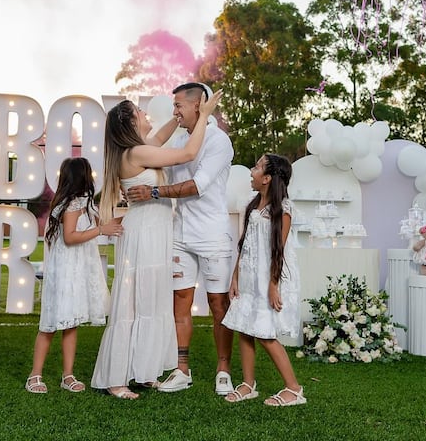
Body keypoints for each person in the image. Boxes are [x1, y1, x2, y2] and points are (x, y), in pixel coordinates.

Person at [91, 89, 222, 399]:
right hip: (143, 233)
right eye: (140, 112)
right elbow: (188, 153)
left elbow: (161, 137)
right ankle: (116, 378)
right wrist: (203, 115)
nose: (146, 115)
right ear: (131, 122)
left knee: (150, 301)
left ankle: (143, 370)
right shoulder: (135, 154)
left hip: (155, 231)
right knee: (132, 304)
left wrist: (180, 118)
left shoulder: (139, 148)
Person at [125, 82, 235, 396]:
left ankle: (223, 368)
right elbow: (148, 154)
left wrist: (153, 192)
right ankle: (182, 369)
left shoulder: (218, 141)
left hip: (212, 235)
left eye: (179, 106)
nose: (174, 112)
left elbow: (197, 185)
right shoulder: (179, 139)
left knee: (218, 304)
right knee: (180, 303)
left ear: (198, 105)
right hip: (179, 234)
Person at [25, 157, 123, 394]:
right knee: (50, 324)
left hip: (78, 270)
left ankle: (67, 375)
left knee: (72, 323)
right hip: (66, 272)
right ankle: (34, 375)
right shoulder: (70, 205)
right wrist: (100, 229)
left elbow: (107, 222)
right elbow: (70, 237)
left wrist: (121, 203)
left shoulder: (86, 203)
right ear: (83, 177)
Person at [221, 154, 305, 406]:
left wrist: (272, 285)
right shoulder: (252, 203)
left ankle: (294, 388)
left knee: (265, 333)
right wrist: (235, 276)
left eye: (257, 167)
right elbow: (244, 244)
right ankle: (248, 383)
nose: (251, 170)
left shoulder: (282, 210)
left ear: (267, 178)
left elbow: (278, 250)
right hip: (248, 276)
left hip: (267, 277)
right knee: (245, 329)